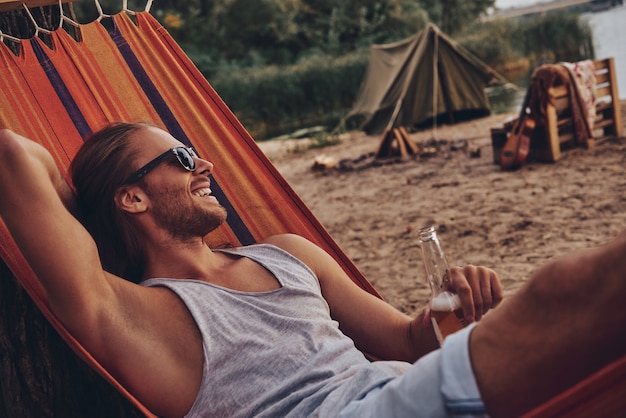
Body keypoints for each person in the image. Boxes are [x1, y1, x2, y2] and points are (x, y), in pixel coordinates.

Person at [0, 123, 624, 418]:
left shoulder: (287, 252)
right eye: (181, 155)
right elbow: (13, 156)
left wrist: (450, 308)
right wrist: (85, 200)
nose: (206, 163)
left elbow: (410, 340)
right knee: (572, 291)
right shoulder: (134, 314)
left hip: (399, 389)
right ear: (131, 197)